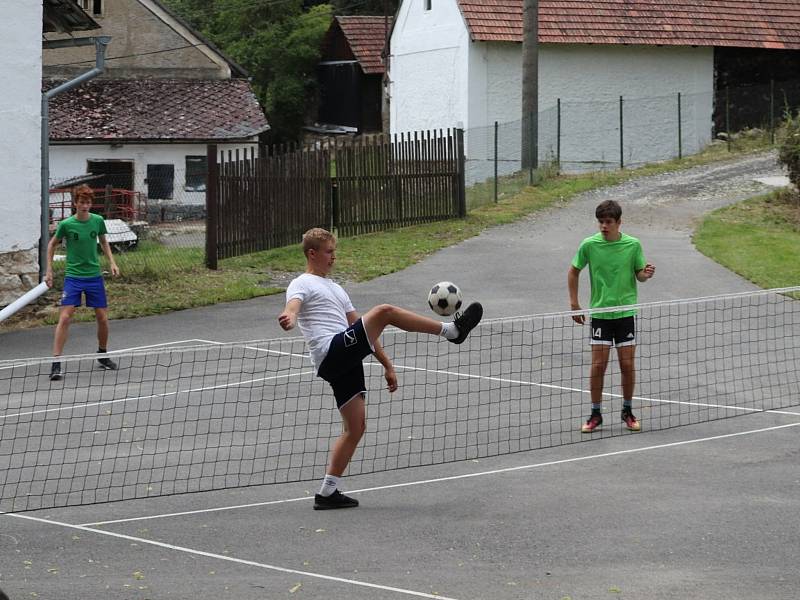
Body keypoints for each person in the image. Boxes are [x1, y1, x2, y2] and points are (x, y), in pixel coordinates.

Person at [278, 228, 483, 510]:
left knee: (356, 427)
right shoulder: (301, 283)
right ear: (312, 254)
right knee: (385, 311)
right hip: (331, 351)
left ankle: (327, 493)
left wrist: (387, 365)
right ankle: (451, 331)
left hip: (346, 358)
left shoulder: (336, 288)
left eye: (335, 251)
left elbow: (362, 328)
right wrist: (290, 316)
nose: (333, 257)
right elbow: (294, 305)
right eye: (328, 252)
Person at [568, 200, 655, 433]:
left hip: (625, 314)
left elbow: (639, 275)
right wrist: (575, 304)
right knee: (598, 365)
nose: (604, 226)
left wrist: (645, 274)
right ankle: (595, 413)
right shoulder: (589, 245)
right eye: (601, 222)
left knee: (627, 364)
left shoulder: (633, 245)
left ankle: (627, 410)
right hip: (600, 315)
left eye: (608, 222)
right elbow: (574, 271)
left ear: (619, 222)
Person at [45, 184, 120, 381]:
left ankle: (102, 355)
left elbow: (103, 242)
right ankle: (56, 363)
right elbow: (52, 245)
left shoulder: (97, 221)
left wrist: (112, 262)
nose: (85, 206)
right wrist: (49, 270)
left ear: (90, 204)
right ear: (75, 203)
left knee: (102, 318)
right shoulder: (66, 224)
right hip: (73, 277)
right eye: (81, 202)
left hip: (94, 276)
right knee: (65, 317)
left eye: (88, 202)